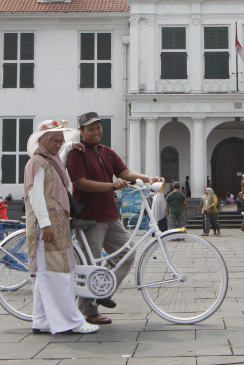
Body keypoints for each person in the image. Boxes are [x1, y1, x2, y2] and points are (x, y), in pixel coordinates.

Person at [66, 111, 163, 326]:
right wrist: (111, 185)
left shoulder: (107, 152)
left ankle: (102, 290)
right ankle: (89, 311)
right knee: (91, 263)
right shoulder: (77, 154)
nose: (96, 132)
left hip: (111, 215)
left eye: (98, 127)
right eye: (90, 128)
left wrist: (149, 178)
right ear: (81, 132)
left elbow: (125, 173)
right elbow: (80, 182)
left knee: (127, 254)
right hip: (89, 218)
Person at [24, 119, 98, 335]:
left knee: (51, 274)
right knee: (57, 275)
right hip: (48, 227)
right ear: (44, 140)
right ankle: (69, 321)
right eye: (54, 140)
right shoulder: (38, 163)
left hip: (57, 224)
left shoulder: (50, 161)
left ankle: (43, 320)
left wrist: (67, 148)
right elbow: (36, 196)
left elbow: (59, 163)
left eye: (60, 141)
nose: (58, 144)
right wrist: (45, 225)